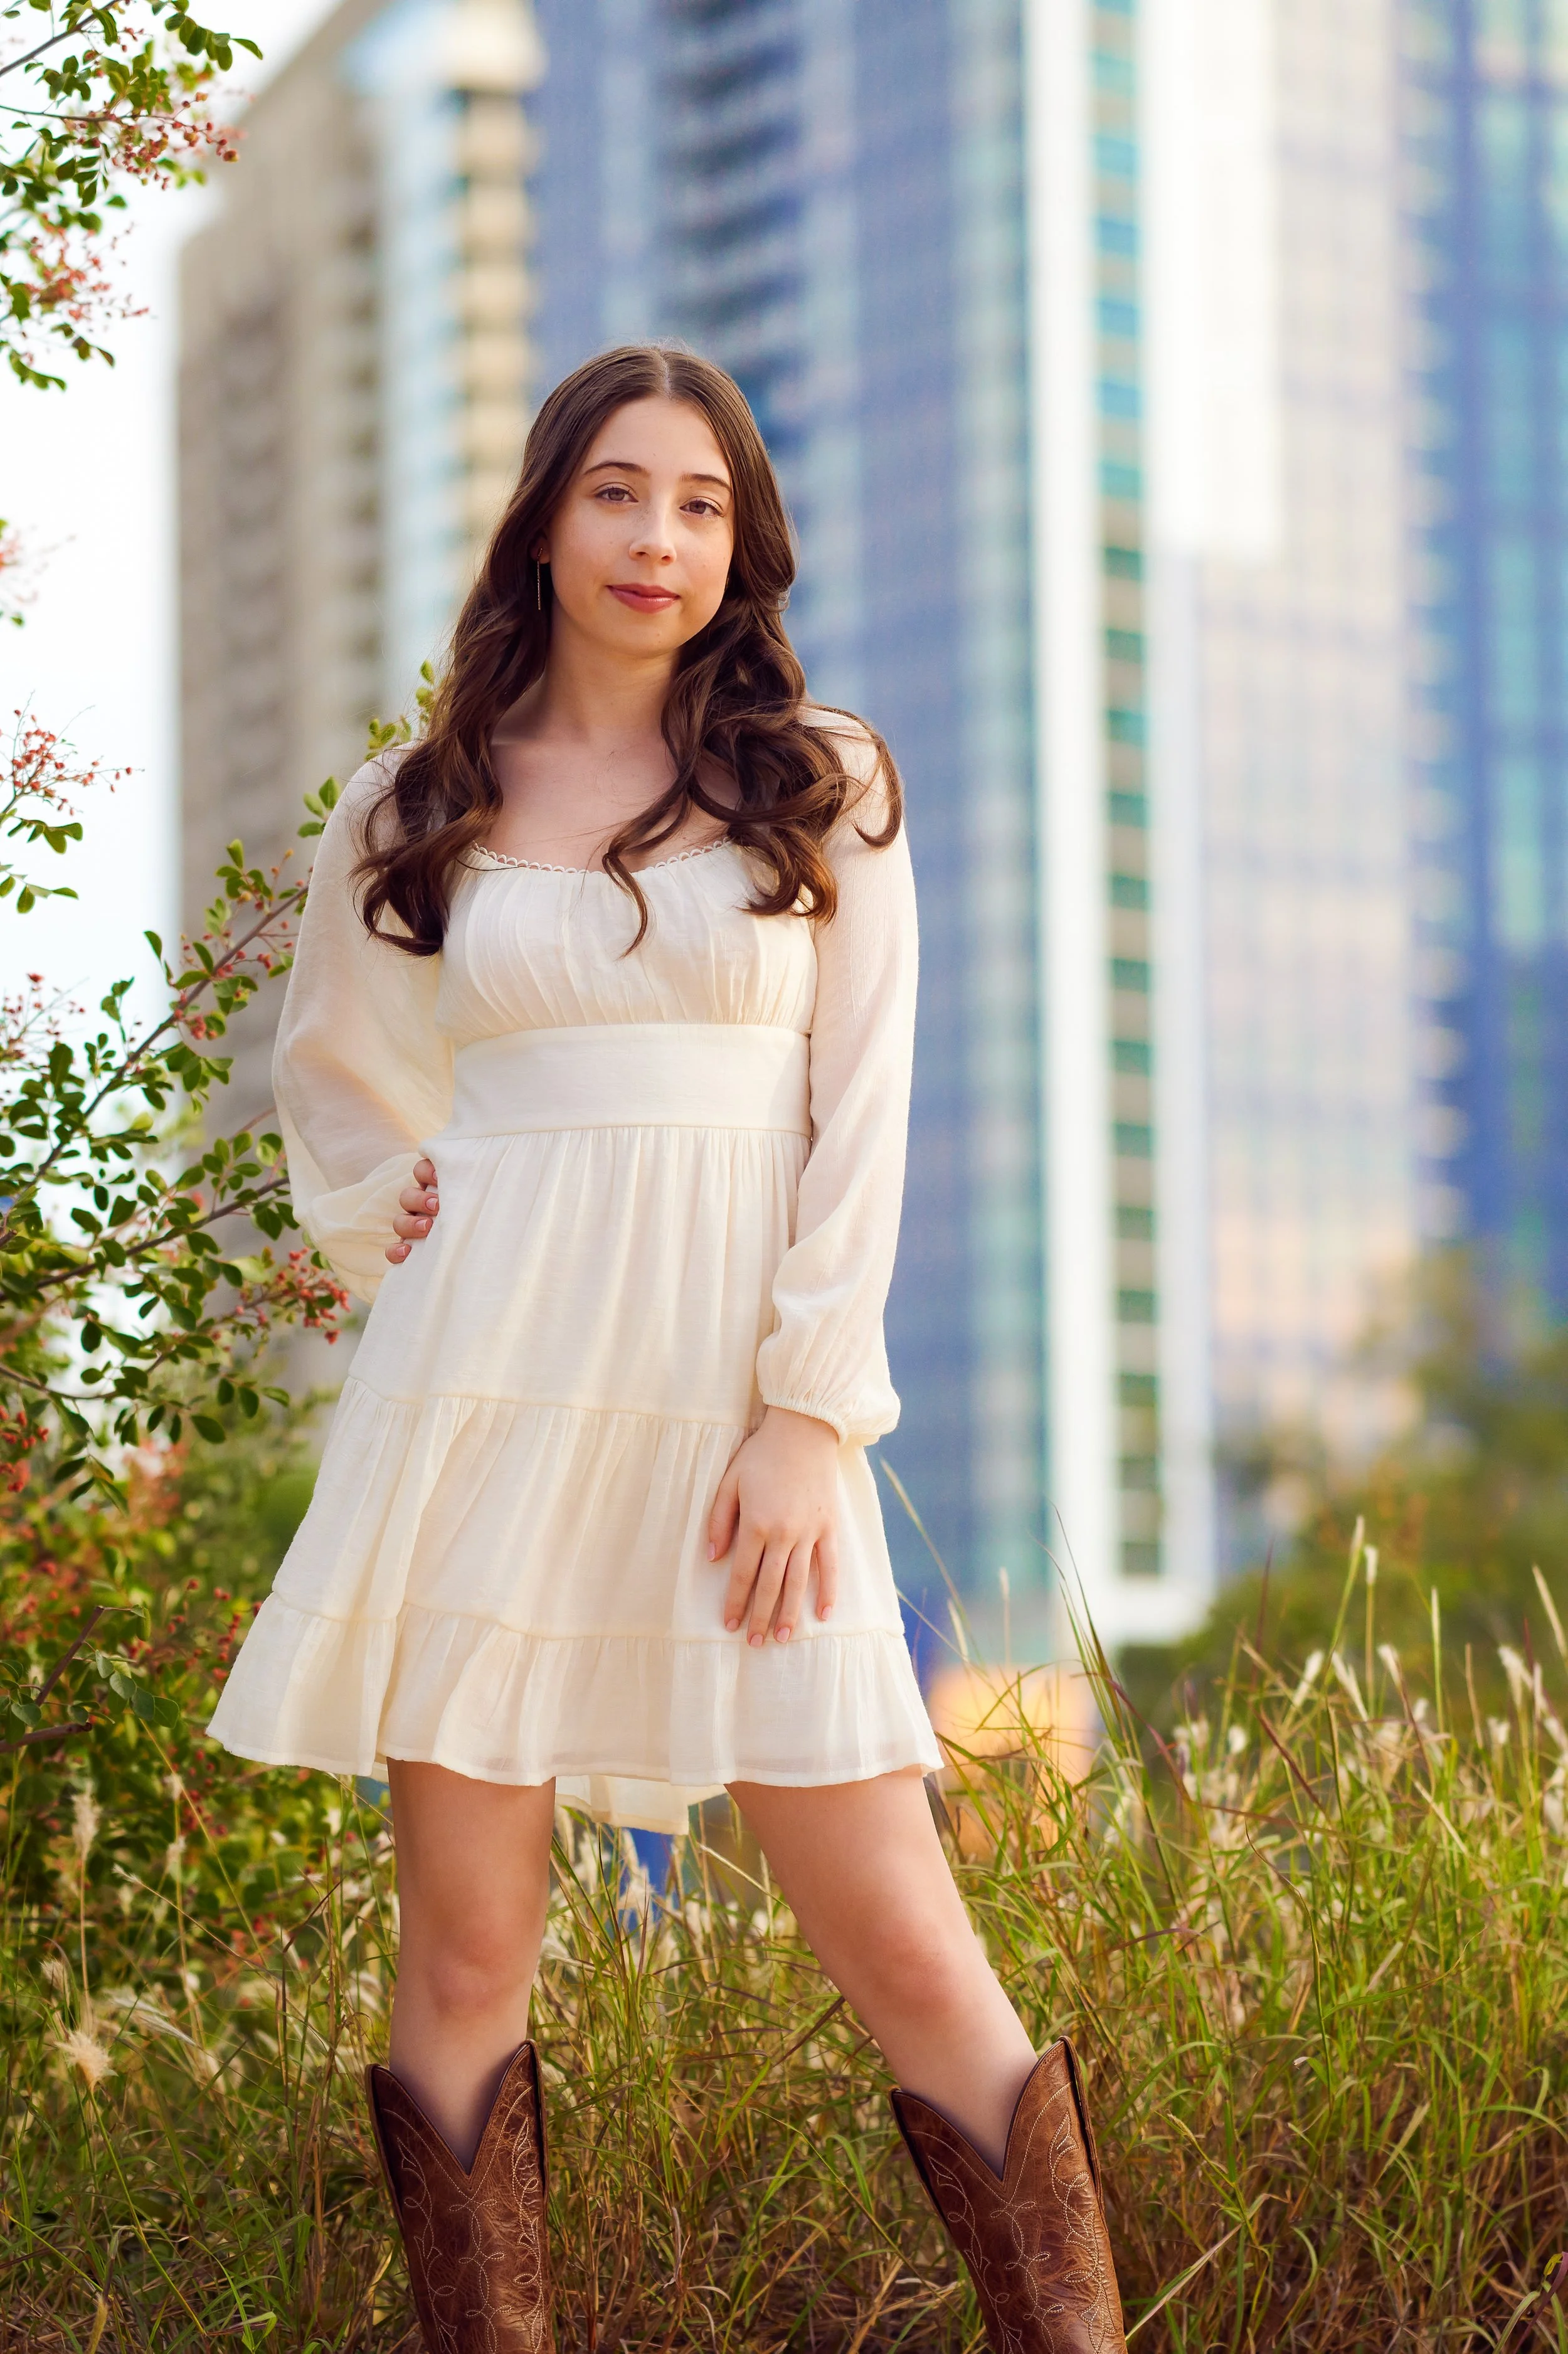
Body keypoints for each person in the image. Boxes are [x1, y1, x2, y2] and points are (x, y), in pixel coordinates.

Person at [207, 345, 1127, 2354]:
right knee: (463, 1952)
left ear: (744, 541)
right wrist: (398, 1224)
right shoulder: (419, 805)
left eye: (701, 503)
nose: (658, 538)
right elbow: (336, 1083)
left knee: (898, 1927)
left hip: (741, 1410)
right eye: (617, 492)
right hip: (488, 1396)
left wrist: (810, 1416)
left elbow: (860, 1115)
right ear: (545, 517)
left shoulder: (824, 778)